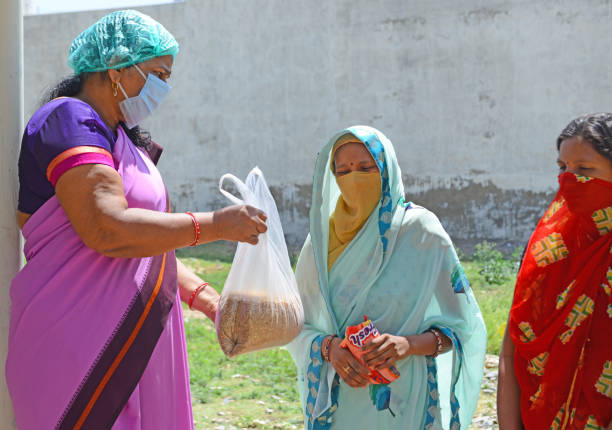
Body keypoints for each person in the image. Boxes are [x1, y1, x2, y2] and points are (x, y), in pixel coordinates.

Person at [5, 10, 267, 430]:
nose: (165, 87)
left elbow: (147, 245)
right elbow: (109, 229)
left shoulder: (121, 137)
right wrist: (216, 225)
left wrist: (207, 300)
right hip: (81, 347)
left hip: (138, 336)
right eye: (159, 74)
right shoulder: (69, 119)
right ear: (116, 68)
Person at [287, 126, 486, 429]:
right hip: (340, 402)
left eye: (366, 168)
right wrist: (329, 349)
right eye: (344, 171)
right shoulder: (321, 243)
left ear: (387, 170)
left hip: (405, 400)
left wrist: (408, 344)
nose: (354, 179)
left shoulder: (421, 234)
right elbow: (293, 324)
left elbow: (461, 329)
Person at [497, 113, 612, 430]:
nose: (569, 179)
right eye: (563, 168)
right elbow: (511, 353)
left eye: (585, 169)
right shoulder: (544, 253)